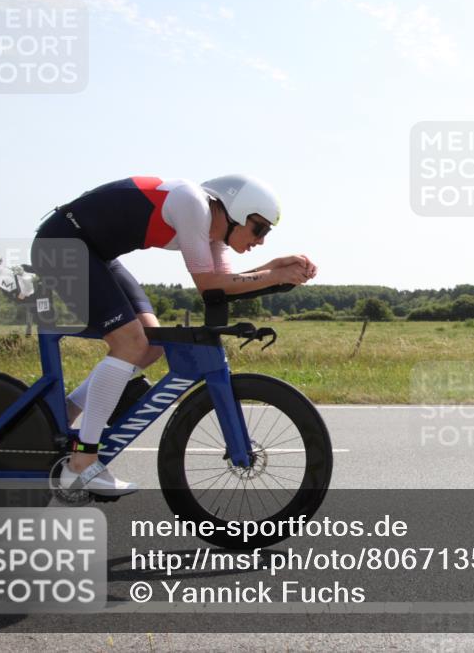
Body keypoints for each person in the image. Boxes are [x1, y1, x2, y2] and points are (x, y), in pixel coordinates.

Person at [30, 175, 317, 496]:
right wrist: (274, 274)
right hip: (63, 246)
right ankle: (82, 464)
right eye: (259, 228)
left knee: (150, 345)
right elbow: (209, 284)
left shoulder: (214, 233)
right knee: (130, 341)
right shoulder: (193, 205)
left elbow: (223, 283)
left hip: (95, 254)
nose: (260, 240)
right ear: (236, 212)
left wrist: (275, 269)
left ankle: (55, 420)